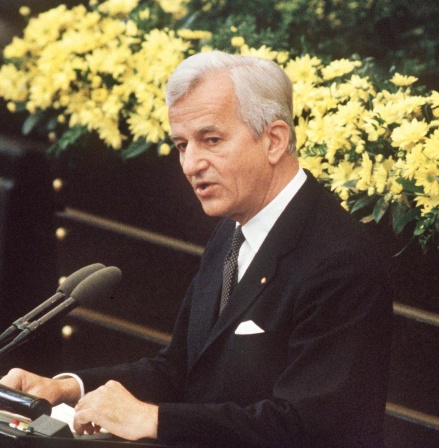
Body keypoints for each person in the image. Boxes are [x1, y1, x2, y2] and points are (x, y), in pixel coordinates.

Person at [0, 51, 393, 447]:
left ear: (274, 140)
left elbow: (309, 428)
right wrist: (66, 388)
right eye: (182, 145)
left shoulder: (341, 261)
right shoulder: (233, 229)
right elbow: (180, 369)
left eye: (211, 140)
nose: (191, 164)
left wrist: (155, 420)